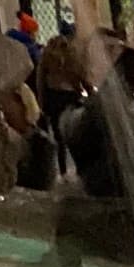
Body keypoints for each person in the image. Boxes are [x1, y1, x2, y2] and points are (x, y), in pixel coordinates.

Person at [36, 21, 86, 177]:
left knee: (59, 138)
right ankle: (80, 169)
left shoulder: (47, 55)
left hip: (53, 98)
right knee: (75, 134)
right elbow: (80, 77)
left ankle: (63, 171)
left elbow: (40, 80)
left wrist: (41, 102)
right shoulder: (72, 53)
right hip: (70, 98)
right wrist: (88, 93)